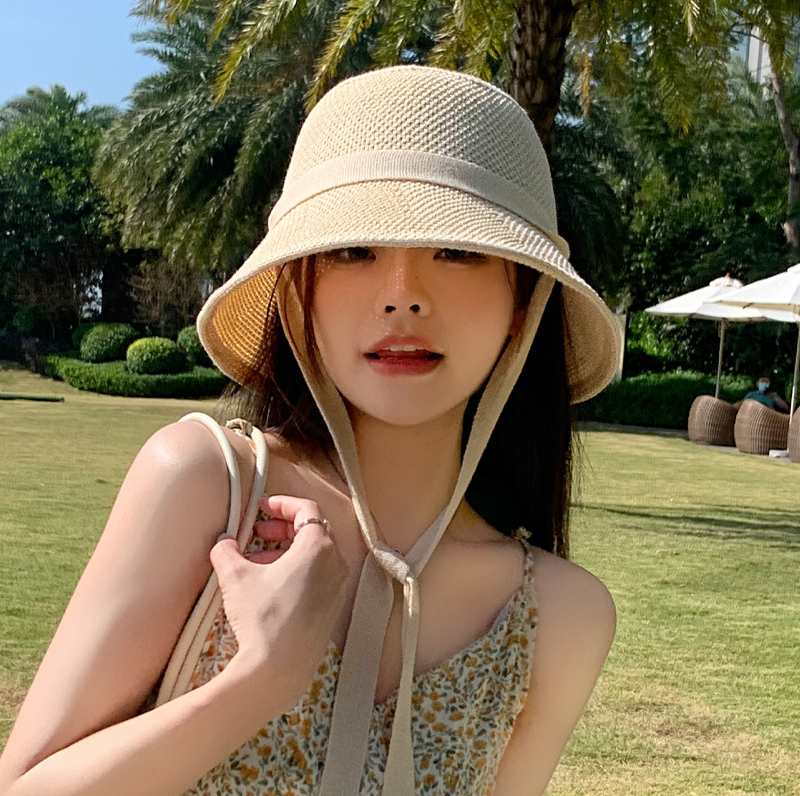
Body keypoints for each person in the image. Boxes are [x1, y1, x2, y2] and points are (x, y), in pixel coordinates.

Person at [0, 66, 621, 796]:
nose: (403, 298)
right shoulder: (210, 487)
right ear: (298, 293)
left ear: (525, 302)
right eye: (352, 251)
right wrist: (260, 679)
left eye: (457, 251)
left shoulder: (560, 616)